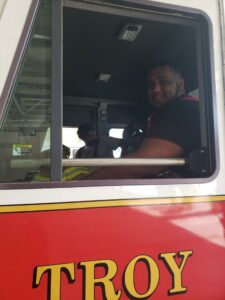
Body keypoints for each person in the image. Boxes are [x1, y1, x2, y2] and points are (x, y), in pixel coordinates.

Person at [83, 62, 200, 179]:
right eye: (150, 85)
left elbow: (147, 163)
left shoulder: (181, 109)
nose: (155, 89)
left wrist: (84, 182)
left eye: (163, 82)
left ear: (180, 84)